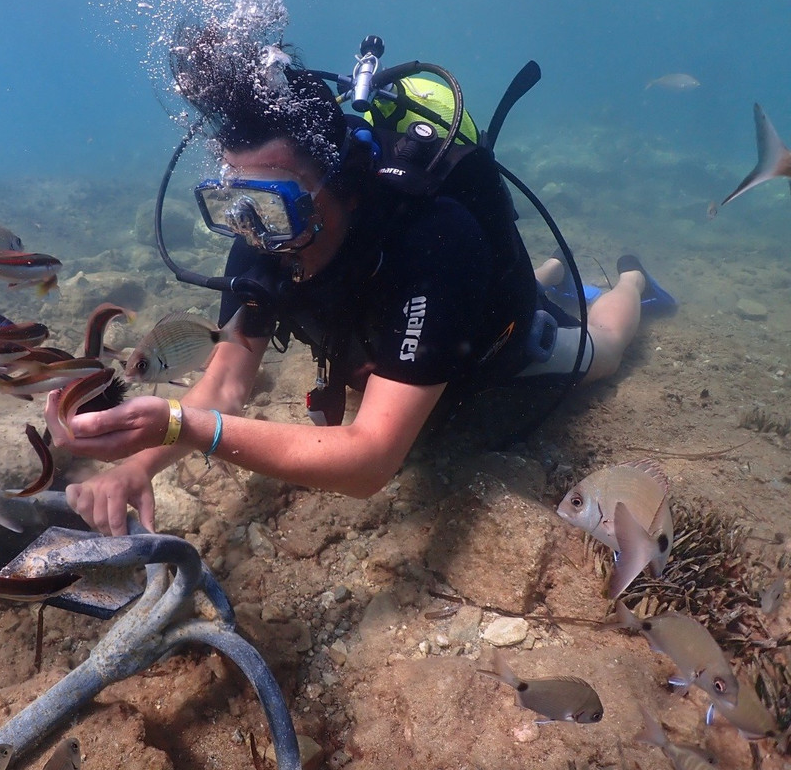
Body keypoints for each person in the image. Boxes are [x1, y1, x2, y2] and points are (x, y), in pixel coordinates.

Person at [43, 28, 676, 536]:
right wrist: (138, 465)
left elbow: (371, 460)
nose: (255, 231)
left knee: (600, 350)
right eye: (236, 204)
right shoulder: (265, 239)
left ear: (342, 187)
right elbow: (225, 384)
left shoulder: (435, 240)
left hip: (487, 338)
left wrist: (181, 426)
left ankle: (629, 279)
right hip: (412, 329)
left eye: (275, 204)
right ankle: (550, 274)